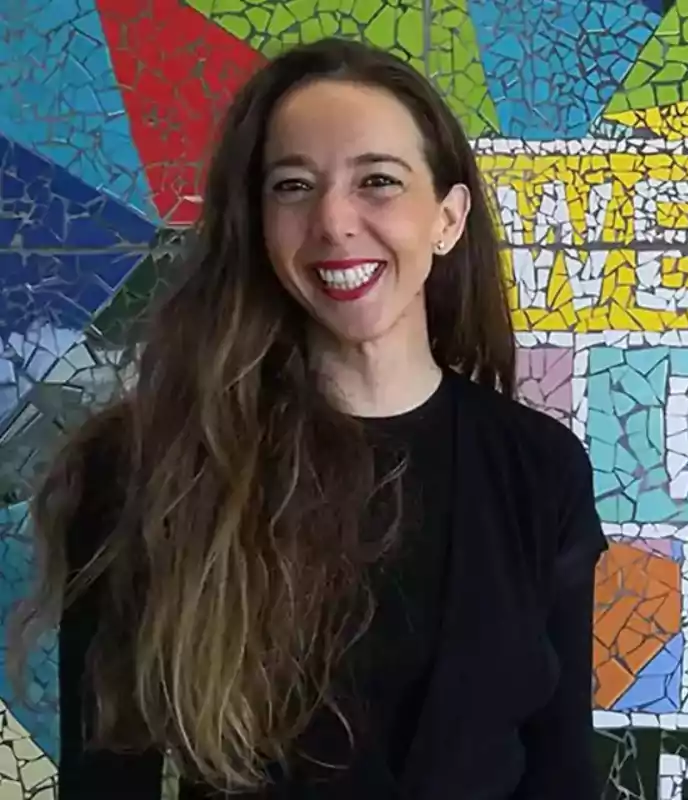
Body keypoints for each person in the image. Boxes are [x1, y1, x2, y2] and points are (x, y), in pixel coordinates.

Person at [7, 37, 607, 798]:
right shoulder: (145, 468)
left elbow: (562, 771)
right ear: (257, 223)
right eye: (293, 186)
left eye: (379, 182)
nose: (332, 221)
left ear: (448, 219)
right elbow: (105, 783)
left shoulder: (541, 468)